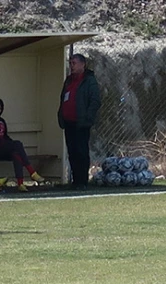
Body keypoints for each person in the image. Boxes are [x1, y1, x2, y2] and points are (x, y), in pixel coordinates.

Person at [0, 98, 44, 191]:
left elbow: (5, 136)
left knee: (16, 152)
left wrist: (10, 143)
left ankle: (20, 184)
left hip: (3, 148)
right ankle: (32, 172)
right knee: (17, 145)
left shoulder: (2, 121)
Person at [57, 53, 101, 189]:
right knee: (72, 152)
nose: (71, 66)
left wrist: (87, 118)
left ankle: (82, 181)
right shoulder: (69, 80)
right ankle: (75, 181)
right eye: (70, 63)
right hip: (69, 122)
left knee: (81, 152)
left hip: (81, 123)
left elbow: (95, 101)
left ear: (83, 64)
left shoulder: (89, 80)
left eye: (74, 63)